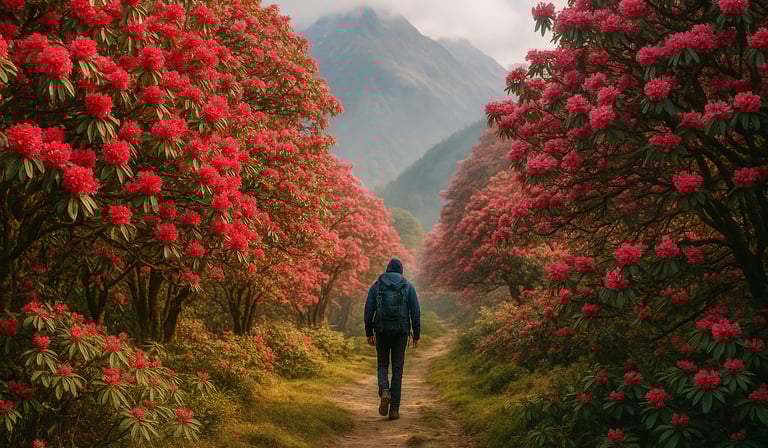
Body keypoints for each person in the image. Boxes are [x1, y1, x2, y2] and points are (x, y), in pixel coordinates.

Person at [363, 258, 421, 421]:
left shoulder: (377, 285)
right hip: (401, 332)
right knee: (397, 370)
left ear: (387, 270)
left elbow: (368, 310)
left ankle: (385, 390)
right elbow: (415, 311)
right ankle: (394, 409)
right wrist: (416, 333)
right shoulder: (408, 286)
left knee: (382, 364)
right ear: (401, 271)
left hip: (381, 330)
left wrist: (369, 332)